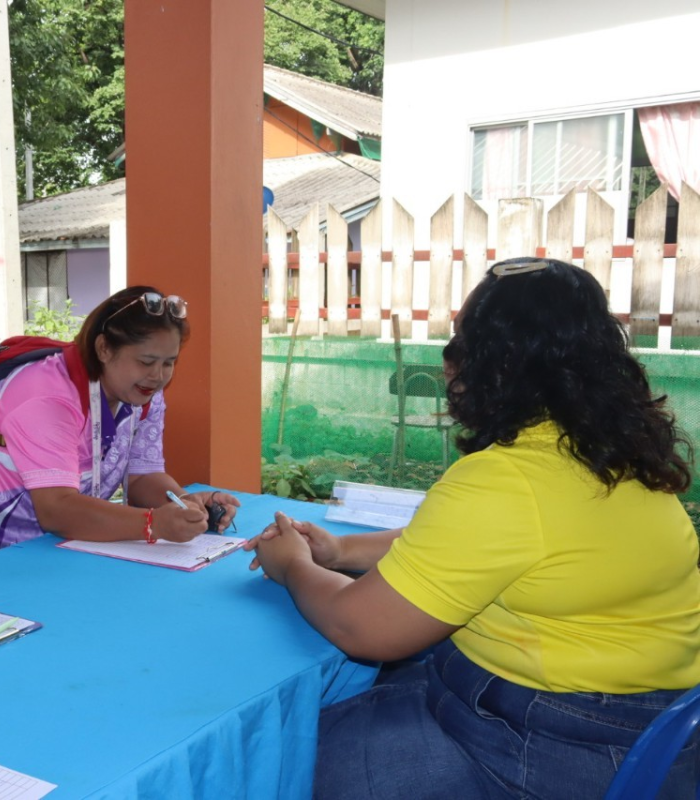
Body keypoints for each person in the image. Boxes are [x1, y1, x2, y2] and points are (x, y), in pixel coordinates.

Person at [247, 257, 700, 798]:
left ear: (494, 365)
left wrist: (292, 565)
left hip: (550, 741)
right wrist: (339, 549)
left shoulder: (506, 480)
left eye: (461, 342)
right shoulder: (611, 453)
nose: (447, 362)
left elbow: (362, 629)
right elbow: (486, 551)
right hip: (647, 728)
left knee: (283, 759)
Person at [0, 285, 240, 565]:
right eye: (146, 361)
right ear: (103, 349)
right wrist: (153, 524)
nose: (158, 376)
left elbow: (142, 477)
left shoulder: (143, 394)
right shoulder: (48, 396)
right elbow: (56, 510)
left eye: (170, 363)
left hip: (32, 527)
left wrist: (185, 504)